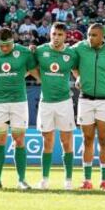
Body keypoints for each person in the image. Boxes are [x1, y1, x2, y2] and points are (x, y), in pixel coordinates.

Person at [0, 27, 37, 189]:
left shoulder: (24, 52)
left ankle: (21, 180)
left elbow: (34, 70)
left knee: (19, 139)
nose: (5, 48)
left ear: (13, 41)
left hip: (19, 102)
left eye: (8, 45)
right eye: (1, 45)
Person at [73, 22, 105, 190]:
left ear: (102, 36)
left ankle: (104, 180)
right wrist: (78, 76)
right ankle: (87, 180)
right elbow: (68, 59)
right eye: (89, 35)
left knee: (104, 140)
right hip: (85, 99)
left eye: (94, 35)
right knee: (87, 140)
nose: (90, 38)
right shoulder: (80, 47)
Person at [33, 23, 78, 190]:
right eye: (54, 34)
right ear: (49, 34)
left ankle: (68, 180)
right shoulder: (40, 51)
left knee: (66, 142)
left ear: (65, 36)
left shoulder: (71, 54)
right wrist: (39, 78)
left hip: (64, 102)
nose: (56, 37)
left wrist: (79, 78)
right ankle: (44, 179)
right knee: (47, 142)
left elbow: (77, 71)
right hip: (46, 102)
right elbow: (30, 67)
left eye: (60, 34)